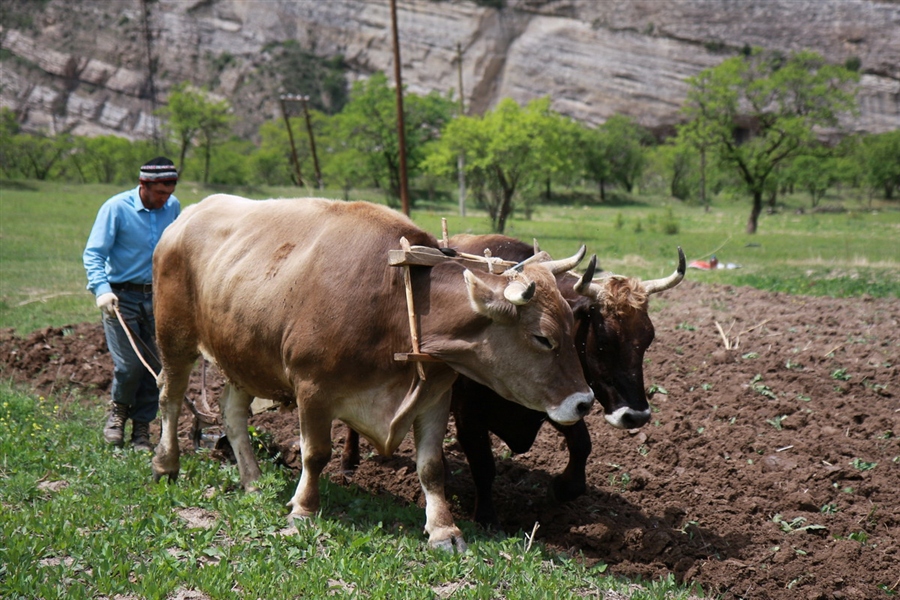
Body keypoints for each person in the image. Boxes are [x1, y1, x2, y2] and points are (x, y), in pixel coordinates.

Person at [83, 157, 181, 451]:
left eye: (169, 193)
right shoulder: (116, 208)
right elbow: (94, 254)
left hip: (158, 298)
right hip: (120, 297)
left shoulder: (173, 207)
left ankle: (141, 430)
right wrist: (102, 289)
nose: (165, 199)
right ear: (143, 185)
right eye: (160, 193)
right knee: (129, 367)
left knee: (156, 366)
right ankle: (118, 413)